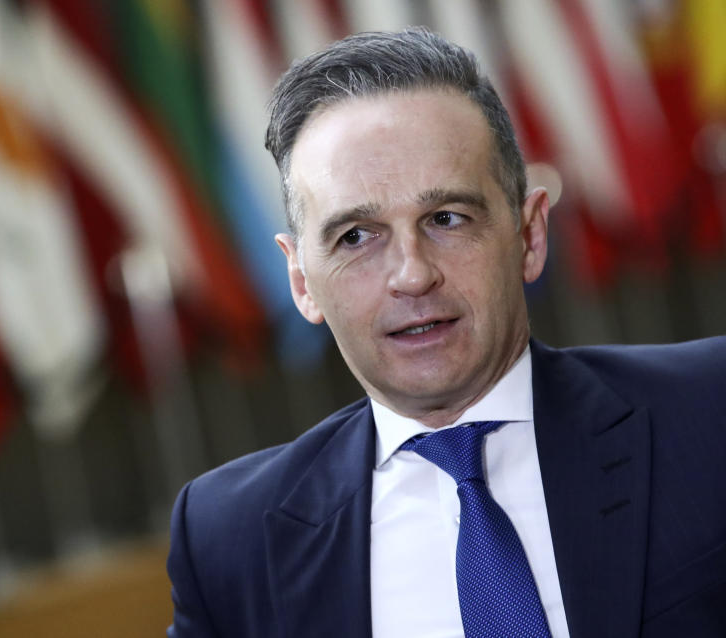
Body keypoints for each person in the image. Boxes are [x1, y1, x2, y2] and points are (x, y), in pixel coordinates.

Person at [166, 28, 726, 638]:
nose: (411, 274)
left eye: (446, 218)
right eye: (355, 236)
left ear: (530, 236)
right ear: (302, 280)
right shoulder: (229, 539)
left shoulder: (709, 413)